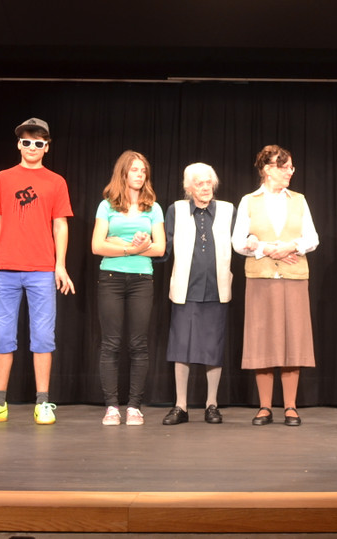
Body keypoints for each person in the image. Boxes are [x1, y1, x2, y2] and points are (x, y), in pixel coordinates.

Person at [0, 118, 75, 426]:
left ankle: (43, 402)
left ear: (47, 147)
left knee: (43, 336)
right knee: (2, 335)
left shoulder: (56, 181)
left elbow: (60, 224)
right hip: (5, 269)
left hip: (42, 269)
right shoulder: (2, 178)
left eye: (38, 142)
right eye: (27, 141)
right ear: (19, 144)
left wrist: (60, 265)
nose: (32, 147)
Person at [232, 145, 318, 427]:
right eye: (285, 167)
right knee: (263, 340)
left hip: (294, 278)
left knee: (293, 339)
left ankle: (290, 406)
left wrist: (292, 246)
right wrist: (266, 250)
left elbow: (312, 238)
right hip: (261, 279)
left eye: (291, 167)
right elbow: (237, 242)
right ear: (268, 169)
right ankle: (265, 407)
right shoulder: (249, 201)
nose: (290, 172)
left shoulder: (299, 200)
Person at [92, 150, 165, 426]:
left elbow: (160, 248)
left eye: (143, 170)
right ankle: (112, 407)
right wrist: (133, 248)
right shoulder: (106, 206)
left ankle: (134, 406)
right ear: (123, 173)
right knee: (110, 343)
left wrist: (123, 245)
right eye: (134, 169)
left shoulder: (153, 207)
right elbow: (97, 246)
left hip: (141, 279)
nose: (140, 174)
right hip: (111, 278)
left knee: (138, 344)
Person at [161, 163, 234, 426]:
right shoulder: (177, 210)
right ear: (188, 187)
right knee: (181, 347)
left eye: (208, 182)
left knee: (213, 347)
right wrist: (143, 247)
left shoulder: (228, 210)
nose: (205, 187)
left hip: (216, 288)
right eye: (199, 183)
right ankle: (180, 406)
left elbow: (241, 242)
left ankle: (211, 404)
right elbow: (164, 247)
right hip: (186, 289)